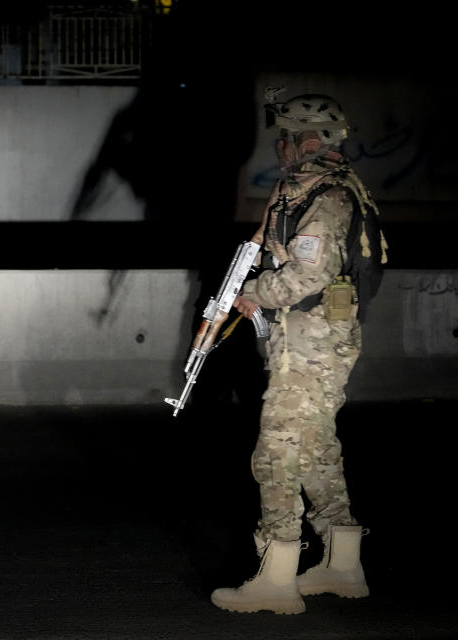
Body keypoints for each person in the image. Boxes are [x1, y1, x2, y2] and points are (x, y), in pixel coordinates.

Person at [211, 91, 388, 614]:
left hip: (312, 349)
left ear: (310, 139)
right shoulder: (305, 192)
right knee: (315, 452)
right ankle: (342, 564)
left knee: (276, 455)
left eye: (287, 137)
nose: (282, 148)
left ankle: (276, 578)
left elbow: (307, 274)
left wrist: (254, 294)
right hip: (311, 345)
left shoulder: (329, 198)